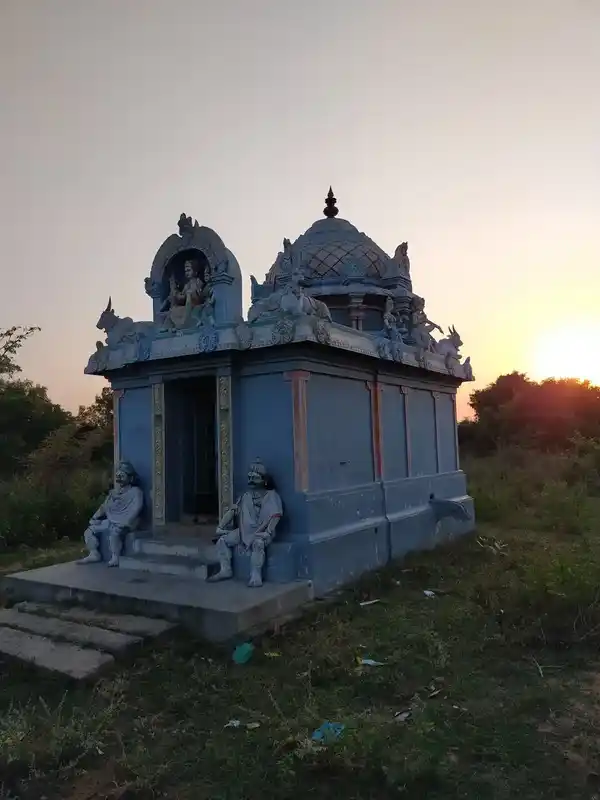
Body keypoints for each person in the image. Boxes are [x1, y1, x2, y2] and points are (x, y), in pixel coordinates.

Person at [208, 459, 283, 587]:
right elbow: (233, 511)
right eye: (249, 477)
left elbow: (276, 515)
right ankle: (225, 570)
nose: (251, 480)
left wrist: (268, 532)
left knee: (258, 544)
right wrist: (221, 526)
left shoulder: (272, 496)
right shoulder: (246, 496)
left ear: (264, 480)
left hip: (263, 532)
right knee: (222, 541)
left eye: (255, 478)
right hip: (244, 531)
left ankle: (256, 575)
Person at [77, 461, 143, 567]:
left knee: (114, 533)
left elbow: (136, 508)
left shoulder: (136, 492)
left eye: (122, 475)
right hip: (111, 520)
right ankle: (94, 553)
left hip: (125, 521)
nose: (119, 478)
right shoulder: (114, 493)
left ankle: (115, 556)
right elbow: (104, 507)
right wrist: (95, 517)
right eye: (118, 475)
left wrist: (126, 521)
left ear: (130, 478)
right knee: (89, 531)